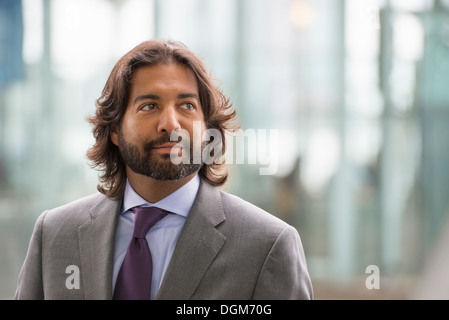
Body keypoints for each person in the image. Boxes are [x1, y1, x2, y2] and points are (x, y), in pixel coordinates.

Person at [14, 39, 313, 300]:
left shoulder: (267, 246)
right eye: (149, 106)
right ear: (115, 130)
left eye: (186, 106)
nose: (171, 124)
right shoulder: (54, 234)